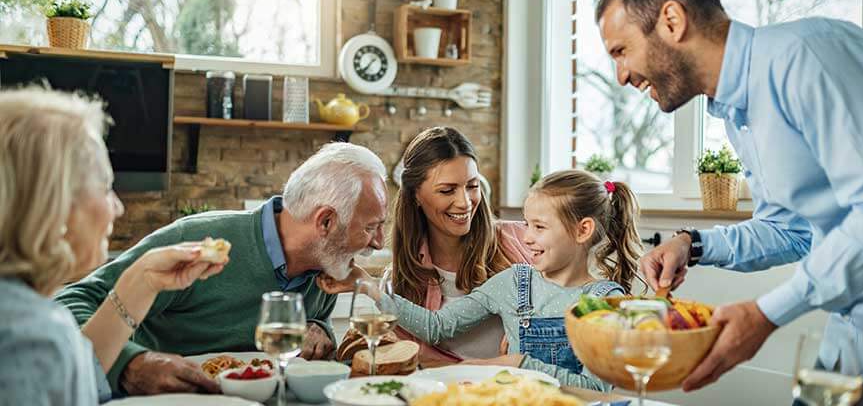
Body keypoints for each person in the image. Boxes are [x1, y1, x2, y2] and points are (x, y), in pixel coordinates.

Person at [596, 0, 863, 394]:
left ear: (672, 21)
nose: (620, 76)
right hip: (849, 352)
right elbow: (792, 231)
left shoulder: (811, 56)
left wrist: (767, 313)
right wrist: (692, 244)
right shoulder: (738, 111)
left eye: (622, 51)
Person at [56, 141, 388, 396]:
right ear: (326, 221)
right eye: (372, 227)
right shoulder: (198, 239)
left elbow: (309, 344)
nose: (378, 243)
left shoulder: (328, 267)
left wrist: (320, 331)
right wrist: (130, 363)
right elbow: (69, 304)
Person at [0, 88, 227, 405]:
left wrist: (143, 279)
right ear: (55, 204)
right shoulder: (32, 339)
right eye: (106, 187)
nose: (117, 207)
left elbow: (78, 374)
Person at [321, 170, 643, 390]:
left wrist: (520, 363)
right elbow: (437, 326)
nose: (527, 238)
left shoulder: (604, 302)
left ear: (583, 230)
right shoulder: (514, 282)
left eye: (539, 227)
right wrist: (370, 287)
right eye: (527, 225)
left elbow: (597, 389)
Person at [388, 127, 532, 365]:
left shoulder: (522, 240)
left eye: (472, 186)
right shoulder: (402, 280)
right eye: (447, 190)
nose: (464, 203)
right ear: (415, 195)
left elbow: (567, 302)